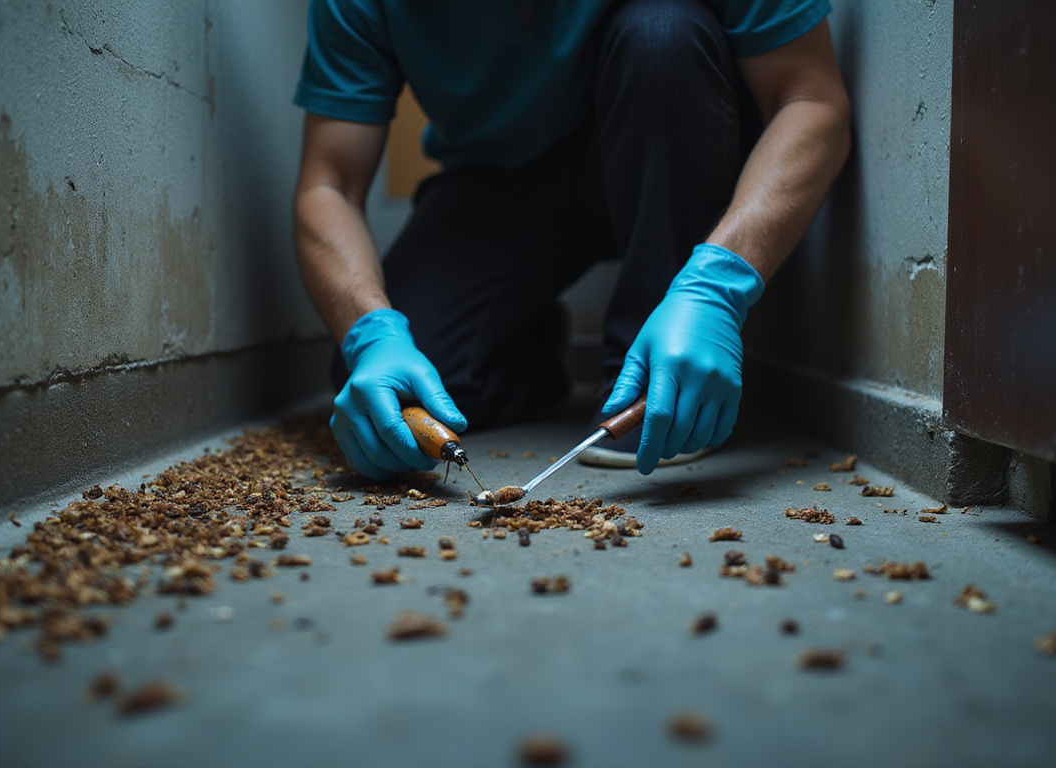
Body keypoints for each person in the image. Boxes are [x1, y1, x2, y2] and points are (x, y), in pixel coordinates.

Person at [292, 0, 851, 480]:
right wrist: (369, 335)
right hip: (500, 185)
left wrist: (719, 284)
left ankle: (650, 387)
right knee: (394, 400)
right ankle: (525, 344)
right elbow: (329, 183)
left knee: (662, 34)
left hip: (670, 140)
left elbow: (810, 101)